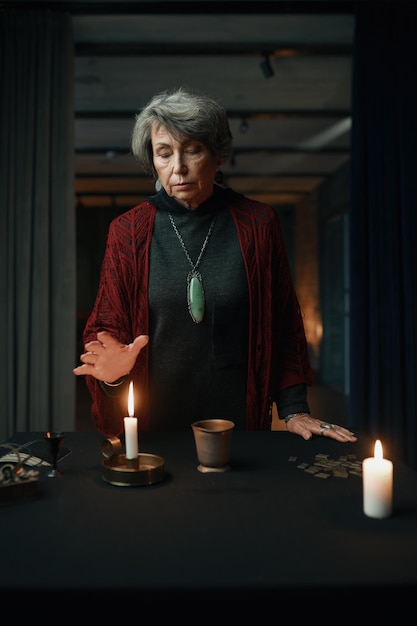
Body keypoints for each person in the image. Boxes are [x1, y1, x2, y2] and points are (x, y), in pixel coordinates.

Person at [73, 86, 357, 444]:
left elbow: (283, 322)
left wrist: (295, 409)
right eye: (164, 154)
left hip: (239, 422)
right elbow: (107, 333)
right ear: (153, 161)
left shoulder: (258, 224)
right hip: (155, 427)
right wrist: (114, 376)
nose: (178, 168)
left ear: (217, 153)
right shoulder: (127, 232)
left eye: (192, 150)